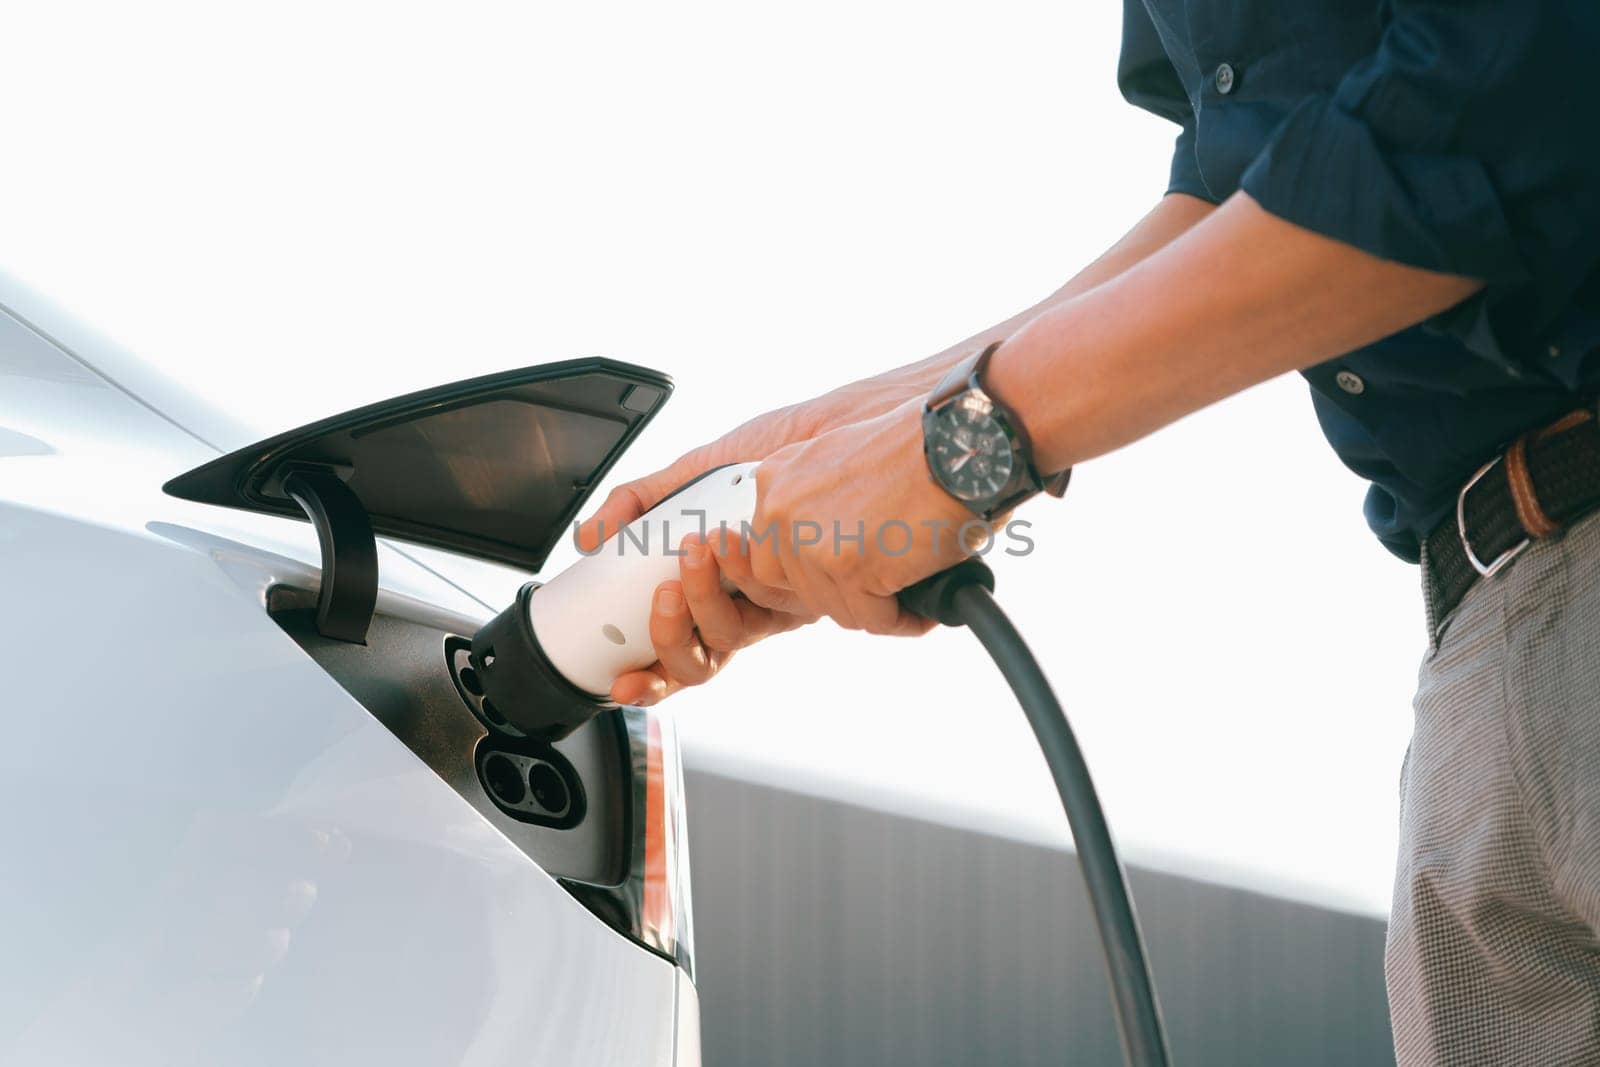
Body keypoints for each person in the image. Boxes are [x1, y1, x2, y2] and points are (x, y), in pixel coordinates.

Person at [578, 3, 1600, 1062]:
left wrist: (961, 445)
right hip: (1480, 636)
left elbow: (1507, 99)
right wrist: (831, 447)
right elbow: (1241, 192)